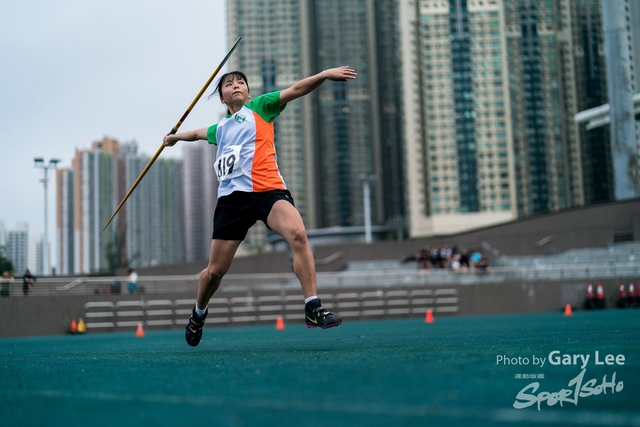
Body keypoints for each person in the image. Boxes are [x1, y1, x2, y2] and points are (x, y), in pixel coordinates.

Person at [163, 66, 356, 346]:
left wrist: (324, 75)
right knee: (214, 272)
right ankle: (198, 314)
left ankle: (312, 307)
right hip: (232, 201)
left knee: (298, 234)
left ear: (248, 91)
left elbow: (296, 89)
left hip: (268, 192)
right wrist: (174, 138)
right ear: (222, 98)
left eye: (240, 82)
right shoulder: (220, 129)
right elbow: (196, 134)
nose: (236, 85)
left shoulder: (261, 107)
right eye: (229, 84)